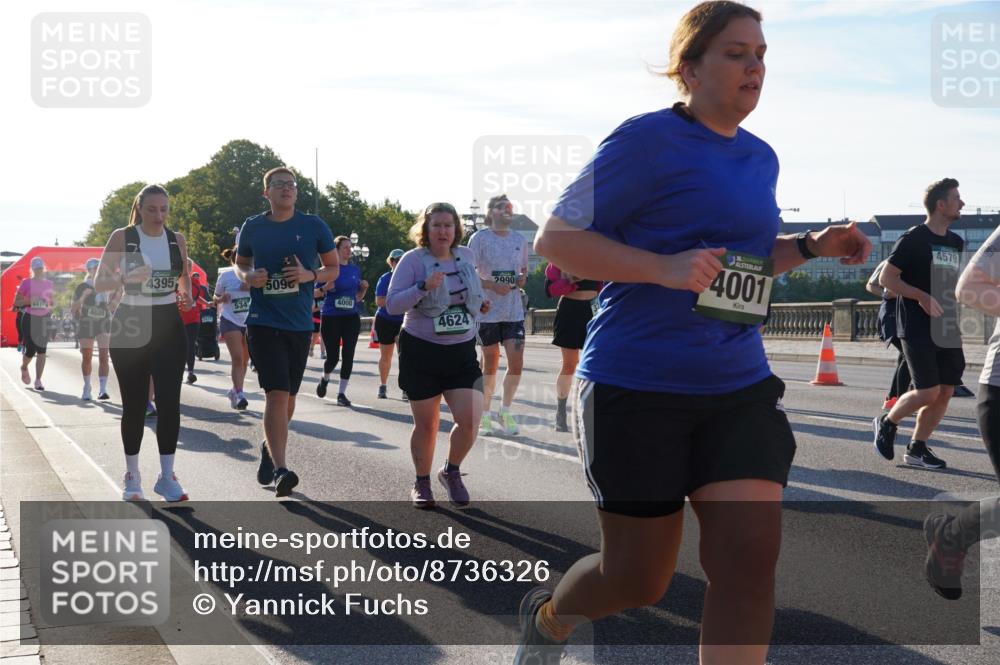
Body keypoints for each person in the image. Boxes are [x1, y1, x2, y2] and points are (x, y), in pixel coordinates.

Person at [516, 3, 871, 663]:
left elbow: (745, 268)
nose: (755, 66)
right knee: (637, 578)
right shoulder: (644, 140)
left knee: (747, 560)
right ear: (690, 66)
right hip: (636, 382)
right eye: (737, 52)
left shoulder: (761, 158)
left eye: (761, 54)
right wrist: (662, 268)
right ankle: (549, 616)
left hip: (736, 384)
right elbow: (556, 241)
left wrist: (812, 245)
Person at [235, 167, 338, 497]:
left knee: (289, 398)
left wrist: (309, 275)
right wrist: (249, 277)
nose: (287, 190)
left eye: (291, 185)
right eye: (279, 185)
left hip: (299, 324)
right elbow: (240, 264)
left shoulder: (312, 226)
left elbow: (332, 268)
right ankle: (281, 470)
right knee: (276, 394)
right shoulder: (253, 226)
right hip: (263, 321)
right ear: (267, 192)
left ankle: (269, 448)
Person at [386, 203, 491, 509]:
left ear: (456, 229)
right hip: (422, 350)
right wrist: (422, 287)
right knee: (427, 424)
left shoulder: (466, 256)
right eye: (437, 226)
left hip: (461, 351)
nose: (443, 231)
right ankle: (422, 481)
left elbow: (472, 294)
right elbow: (392, 305)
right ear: (426, 230)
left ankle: (451, 471)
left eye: (448, 225)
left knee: (470, 420)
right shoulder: (413, 261)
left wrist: (480, 305)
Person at [94, 183, 194, 502]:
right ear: (140, 208)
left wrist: (187, 293)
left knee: (169, 404)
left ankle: (167, 477)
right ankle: (132, 475)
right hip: (132, 322)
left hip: (168, 323)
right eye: (152, 209)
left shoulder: (176, 239)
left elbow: (184, 275)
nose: (159, 215)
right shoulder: (123, 237)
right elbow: (100, 282)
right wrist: (126, 279)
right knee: (135, 405)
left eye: (164, 209)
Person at [873, 178, 965, 470]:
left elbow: (950, 283)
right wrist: (921, 296)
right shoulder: (913, 238)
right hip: (915, 325)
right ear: (941, 204)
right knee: (927, 391)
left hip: (947, 324)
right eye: (956, 198)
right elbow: (887, 279)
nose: (962, 203)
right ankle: (887, 422)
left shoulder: (956, 241)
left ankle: (917, 448)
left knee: (946, 390)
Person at [469, 194, 529, 436]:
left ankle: (505, 411)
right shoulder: (479, 238)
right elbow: (468, 273)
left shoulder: (520, 239)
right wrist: (492, 285)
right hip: (487, 310)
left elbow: (522, 272)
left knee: (516, 363)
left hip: (513, 310)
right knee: (490, 363)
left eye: (510, 207)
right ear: (491, 212)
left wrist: (522, 279)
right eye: (503, 207)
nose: (508, 210)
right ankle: (484, 414)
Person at [545, 262, 601, 432]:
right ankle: (561, 411)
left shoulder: (597, 256)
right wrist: (571, 280)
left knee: (596, 363)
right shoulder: (560, 257)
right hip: (570, 310)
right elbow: (549, 290)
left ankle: (592, 412)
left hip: (593, 309)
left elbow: (605, 286)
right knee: (570, 364)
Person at [317, 236, 368, 406]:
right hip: (331, 317)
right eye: (345, 247)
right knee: (332, 358)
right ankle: (325, 378)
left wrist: (364, 290)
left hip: (351, 317)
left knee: (349, 355)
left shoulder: (355, 270)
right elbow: (314, 294)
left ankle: (341, 393)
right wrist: (325, 288)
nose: (349, 250)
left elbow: (357, 298)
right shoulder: (327, 270)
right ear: (337, 250)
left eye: (350, 247)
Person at [866, 260, 911, 411]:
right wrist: (886, 293)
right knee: (909, 354)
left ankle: (893, 398)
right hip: (892, 314)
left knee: (904, 356)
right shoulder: (890, 262)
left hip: (909, 314)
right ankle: (899, 400)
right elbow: (870, 285)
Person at [214, 247, 252, 410]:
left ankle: (234, 391)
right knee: (237, 358)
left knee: (245, 361)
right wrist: (221, 298)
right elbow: (215, 298)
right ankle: (239, 393)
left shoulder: (254, 274)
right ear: (236, 258)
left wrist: (252, 286)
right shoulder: (226, 275)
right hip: (230, 320)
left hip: (250, 321)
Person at [72, 257, 114, 400]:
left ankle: (102, 389)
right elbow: (74, 308)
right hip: (86, 323)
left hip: (103, 322)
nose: (96, 270)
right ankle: (87, 386)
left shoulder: (106, 285)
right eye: (94, 268)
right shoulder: (82, 286)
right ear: (89, 270)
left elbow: (113, 304)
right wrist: (83, 297)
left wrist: (113, 300)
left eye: (98, 268)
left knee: (104, 356)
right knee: (87, 357)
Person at [14, 257, 54, 391]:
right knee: (30, 349)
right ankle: (24, 367)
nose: (39, 270)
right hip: (30, 317)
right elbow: (17, 302)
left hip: (44, 318)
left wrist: (47, 303)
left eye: (41, 268)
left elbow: (52, 303)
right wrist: (31, 300)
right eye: (36, 268)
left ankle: (38, 380)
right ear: (32, 269)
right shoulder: (26, 282)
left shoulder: (49, 283)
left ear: (44, 269)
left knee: (42, 350)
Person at [374, 248, 406, 399]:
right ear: (391, 262)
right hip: (386, 319)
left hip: (404, 321)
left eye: (402, 260)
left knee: (404, 356)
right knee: (386, 355)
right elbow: (379, 301)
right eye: (397, 260)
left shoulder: (409, 278)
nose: (399, 263)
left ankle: (405, 388)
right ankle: (383, 385)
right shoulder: (385, 278)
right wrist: (397, 300)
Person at [179, 264, 210, 384]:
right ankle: (179, 373)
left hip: (193, 318)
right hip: (179, 319)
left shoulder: (195, 282)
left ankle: (190, 372)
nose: (186, 268)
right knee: (180, 347)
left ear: (191, 269)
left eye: (188, 267)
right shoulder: (174, 281)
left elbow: (197, 298)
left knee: (190, 345)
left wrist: (208, 303)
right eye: (184, 266)